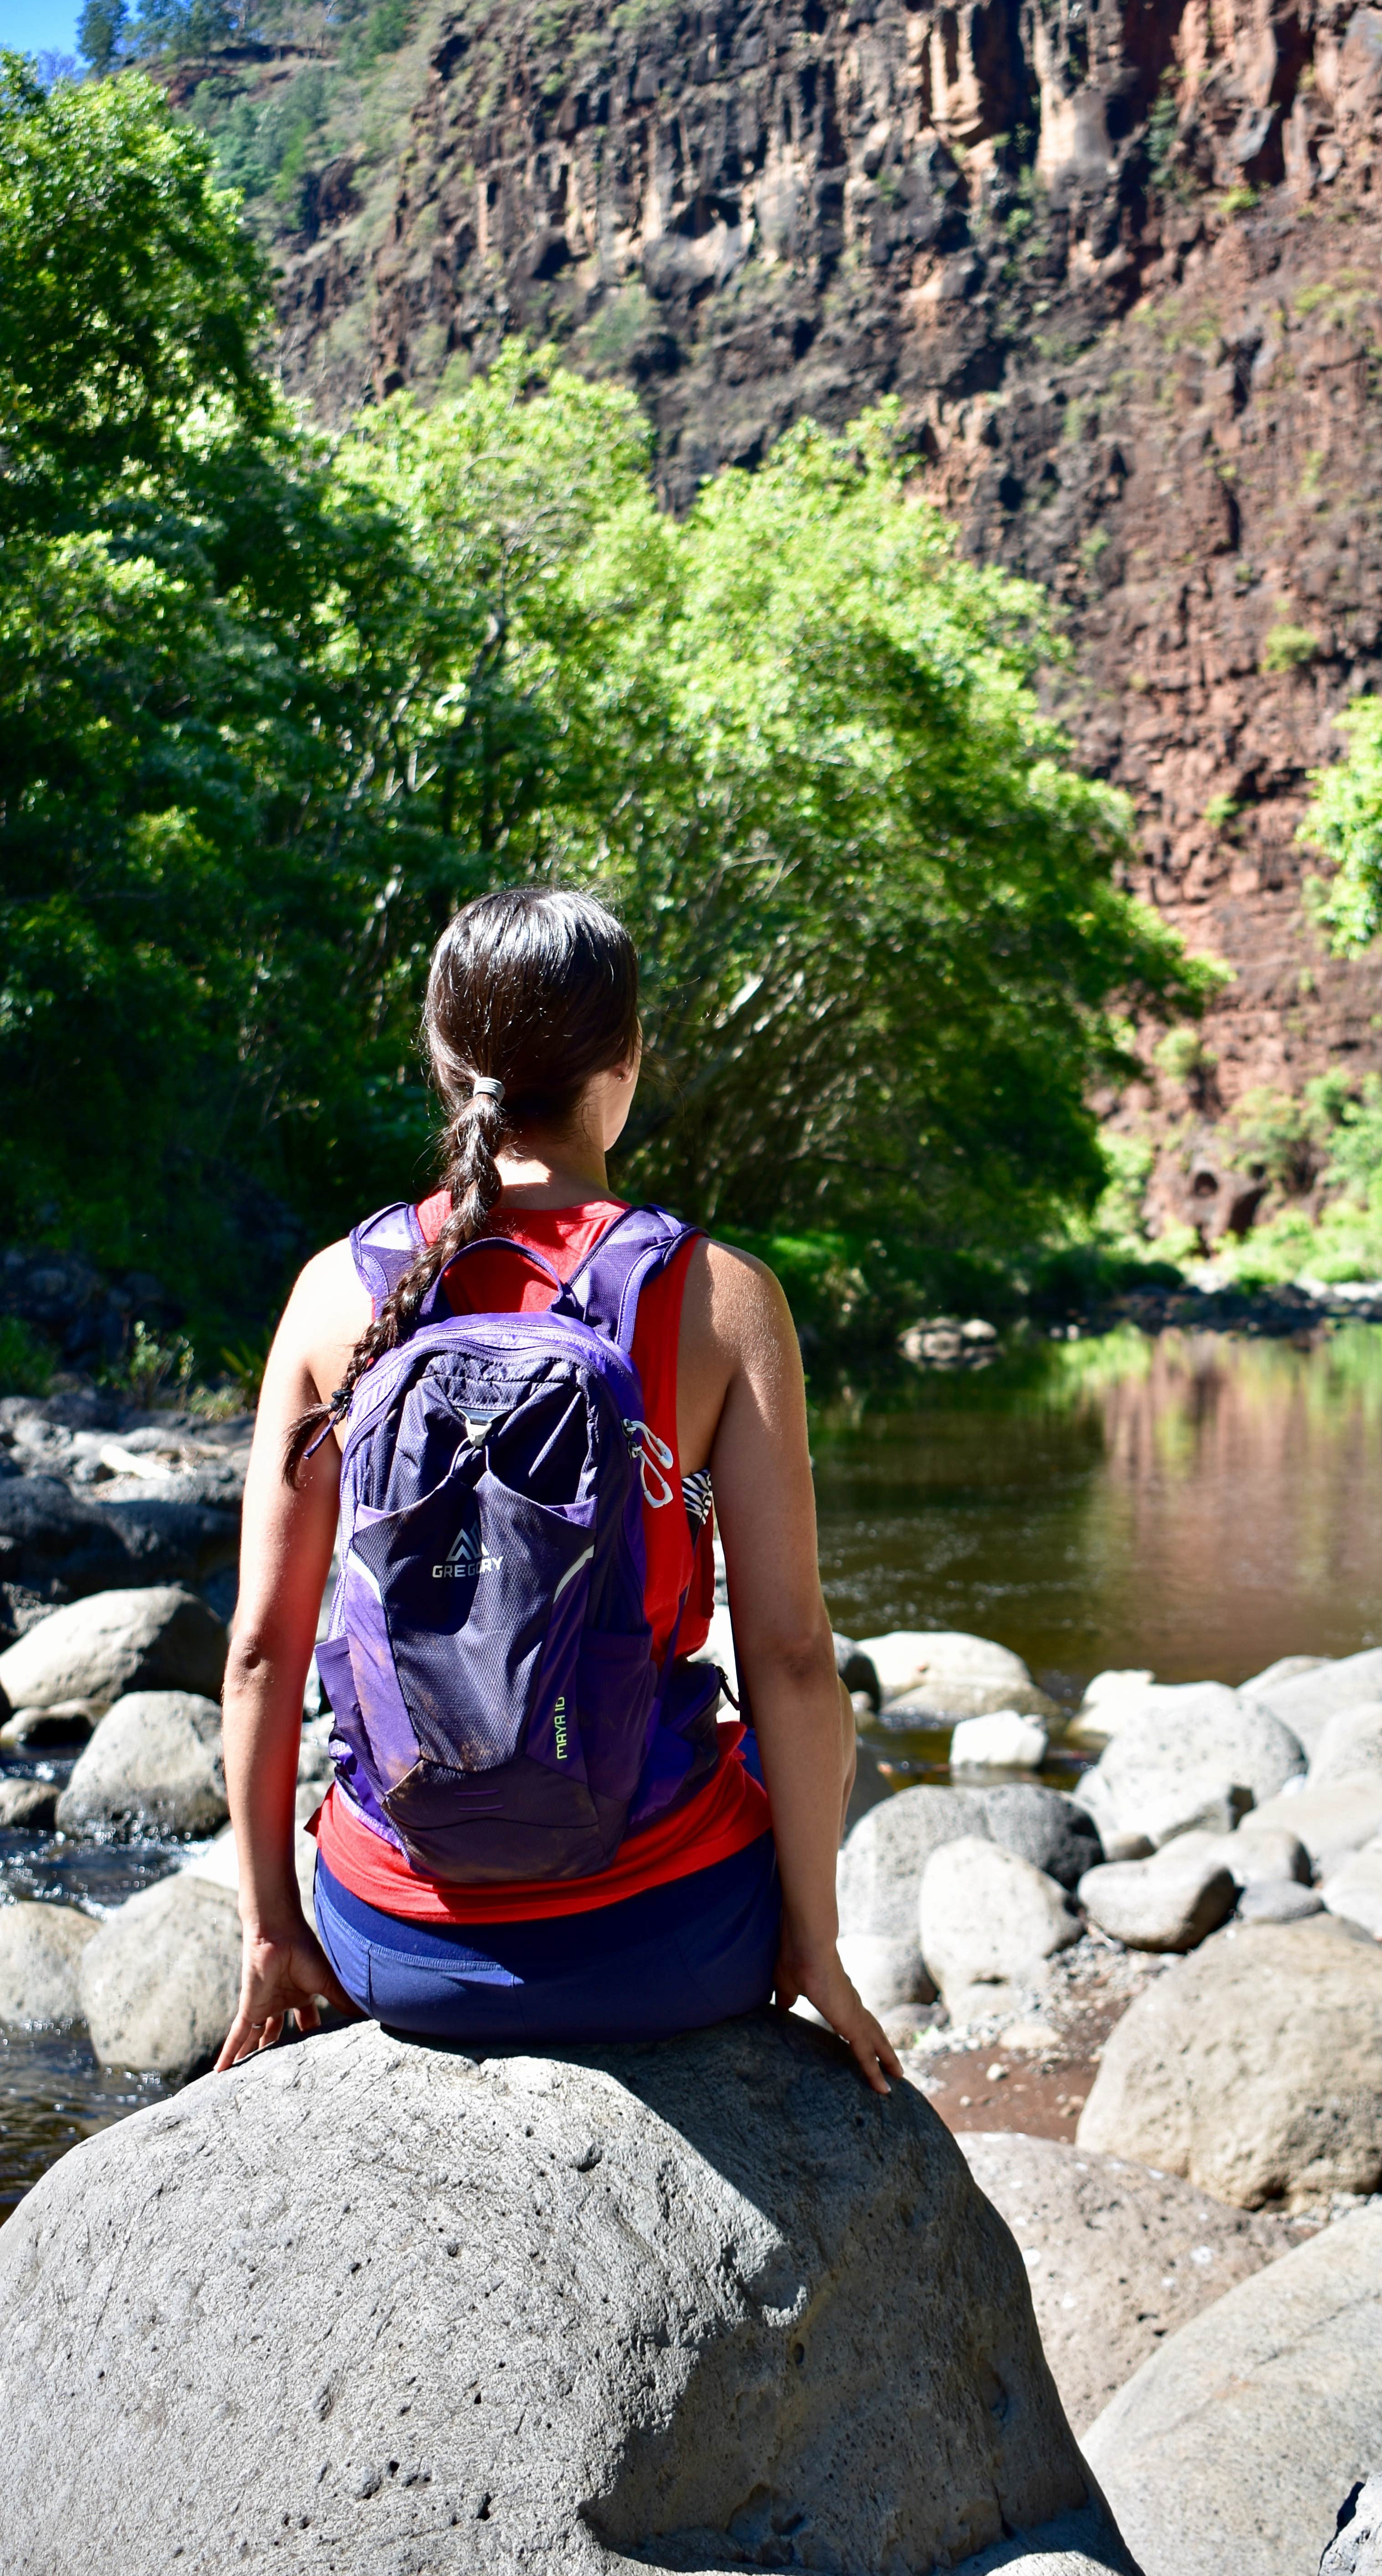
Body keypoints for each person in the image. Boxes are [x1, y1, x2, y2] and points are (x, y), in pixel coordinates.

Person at [215, 885, 900, 2094]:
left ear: (440, 1059)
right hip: (669, 1939)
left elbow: (265, 1652)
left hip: (397, 1942)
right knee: (794, 1731)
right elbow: (791, 1654)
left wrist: (275, 1938)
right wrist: (816, 1941)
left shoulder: (340, 1291)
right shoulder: (720, 1299)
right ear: (626, 1061)